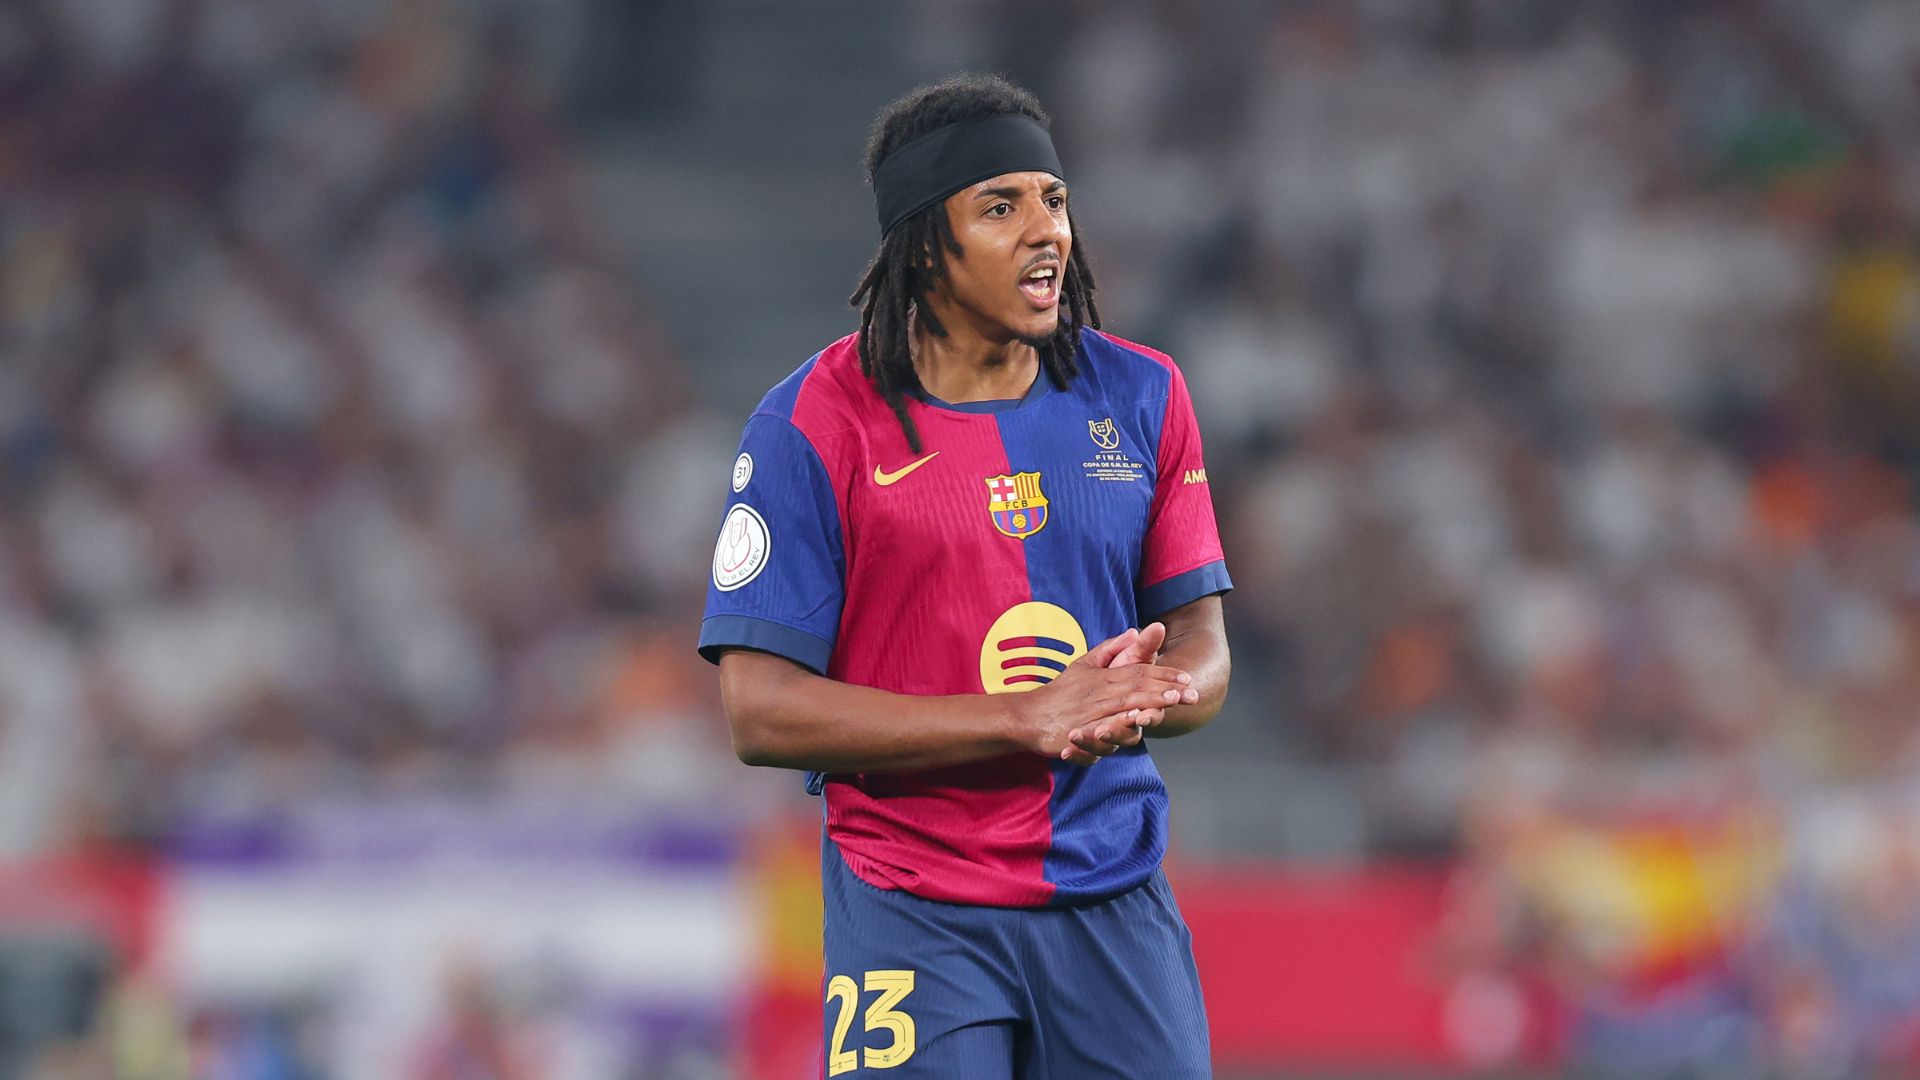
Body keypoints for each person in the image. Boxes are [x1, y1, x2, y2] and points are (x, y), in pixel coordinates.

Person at [698, 73, 1231, 1077]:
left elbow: (1204, 650)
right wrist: (1019, 716)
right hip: (914, 904)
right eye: (1001, 205)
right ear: (922, 244)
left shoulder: (1144, 393)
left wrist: (1150, 691)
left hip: (1111, 892)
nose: (1046, 231)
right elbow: (758, 712)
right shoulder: (812, 424)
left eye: (1053, 198)